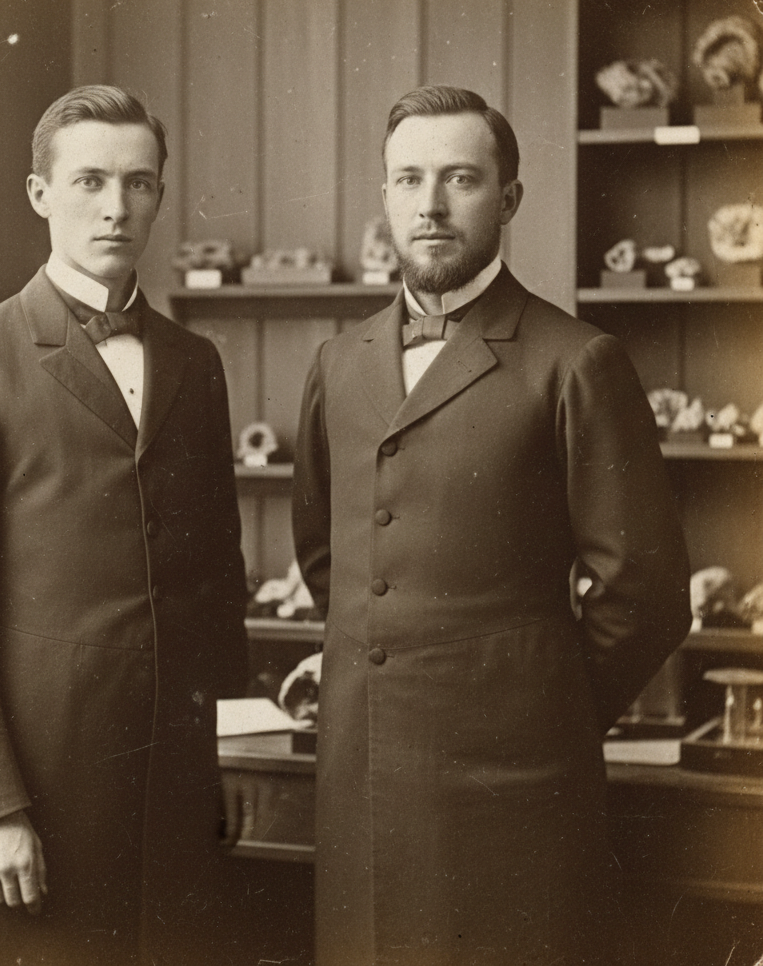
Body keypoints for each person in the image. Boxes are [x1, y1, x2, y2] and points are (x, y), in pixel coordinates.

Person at [292, 85, 690, 965]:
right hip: (360, 788)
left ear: (508, 199)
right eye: (408, 180)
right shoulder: (338, 361)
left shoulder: (577, 361)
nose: (430, 205)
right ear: (385, 196)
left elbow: (650, 594)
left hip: (517, 794)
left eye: (459, 178)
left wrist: (537, 708)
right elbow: (330, 561)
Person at [0, 85, 250, 966]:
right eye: (89, 180)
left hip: (171, 803)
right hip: (31, 812)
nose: (116, 207)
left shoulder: (194, 365)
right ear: (40, 193)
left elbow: (211, 586)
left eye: (139, 183)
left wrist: (220, 761)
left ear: (161, 196)